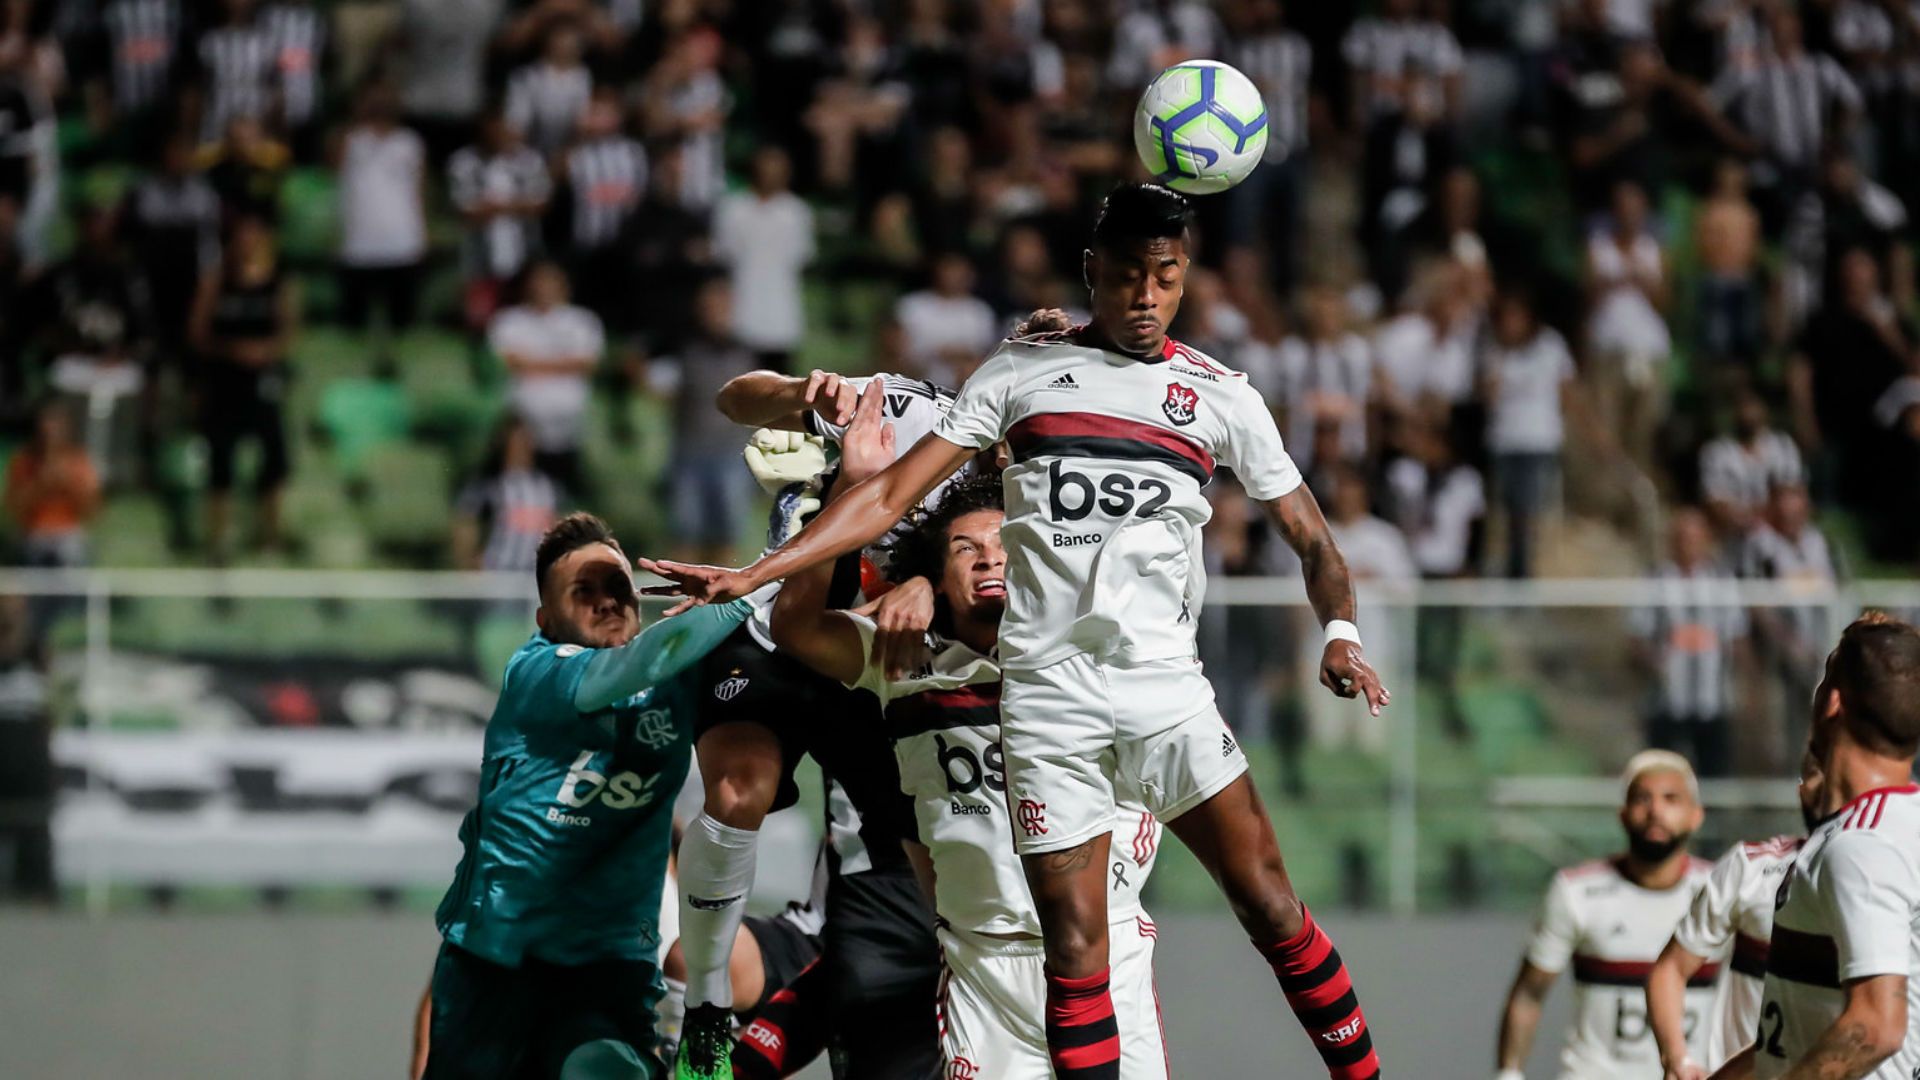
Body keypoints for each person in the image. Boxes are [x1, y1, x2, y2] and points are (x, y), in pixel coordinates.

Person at [645, 184, 1386, 1080]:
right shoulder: (1001, 382)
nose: (1144, 298)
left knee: (1269, 903)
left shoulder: (1219, 395)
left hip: (1162, 688)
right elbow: (880, 491)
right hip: (1040, 698)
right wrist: (755, 570)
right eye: (1124, 278)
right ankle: (714, 1010)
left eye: (1163, 277)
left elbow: (1313, 538)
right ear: (1089, 278)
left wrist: (1340, 630)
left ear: (1186, 277)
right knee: (1067, 943)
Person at [768, 389, 1169, 1079]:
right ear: (938, 572)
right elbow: (798, 628)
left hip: (1105, 954)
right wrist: (847, 487)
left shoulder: (1093, 644)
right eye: (965, 550)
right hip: (953, 953)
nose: (988, 558)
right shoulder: (902, 655)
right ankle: (700, 1058)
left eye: (1004, 545)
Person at [422, 513, 754, 1080]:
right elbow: (641, 662)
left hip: (610, 964)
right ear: (545, 619)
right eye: (585, 592)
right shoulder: (535, 671)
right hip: (500, 956)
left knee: (604, 1068)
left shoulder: (678, 677)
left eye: (618, 588)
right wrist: (757, 581)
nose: (607, 602)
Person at [1716, 613, 1920, 1080]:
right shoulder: (1882, 828)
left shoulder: (1863, 845)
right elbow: (1798, 1037)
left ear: (1831, 703)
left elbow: (1873, 1029)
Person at [1494, 751, 1716, 1080]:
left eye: (1671, 799)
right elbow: (1529, 992)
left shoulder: (1721, 892)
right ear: (1623, 815)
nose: (1656, 811)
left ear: (1696, 815)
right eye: (1643, 799)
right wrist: (1508, 1076)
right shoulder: (1577, 892)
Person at [1645, 752, 1824, 1079]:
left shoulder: (1902, 878)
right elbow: (1669, 968)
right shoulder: (1751, 868)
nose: (1821, 786)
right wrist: (1677, 1059)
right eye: (1812, 774)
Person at [189, 212, 295, 559]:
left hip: (262, 383)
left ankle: (270, 536)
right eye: (242, 236)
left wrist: (265, 351)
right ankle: (218, 540)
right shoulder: (215, 283)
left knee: (273, 458)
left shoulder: (278, 283)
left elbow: (288, 331)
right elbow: (197, 333)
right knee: (221, 461)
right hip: (223, 383)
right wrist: (231, 350)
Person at [1632, 508, 1750, 778]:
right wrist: (1653, 661)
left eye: (1695, 538)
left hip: (1713, 699)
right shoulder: (1655, 580)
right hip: (1667, 700)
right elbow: (1637, 635)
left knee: (1714, 777)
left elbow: (1737, 634)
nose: (1689, 545)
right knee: (1663, 776)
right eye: (1683, 538)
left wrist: (1743, 684)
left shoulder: (1721, 581)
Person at [488, 260, 602, 496]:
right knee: (517, 433)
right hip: (524, 412)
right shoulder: (508, 321)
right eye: (539, 281)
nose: (544, 287)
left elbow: (586, 364)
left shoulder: (583, 321)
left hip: (573, 414)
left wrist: (533, 364)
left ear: (564, 286)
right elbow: (510, 362)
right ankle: (516, 504)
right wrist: (563, 363)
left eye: (551, 281)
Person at [334, 82, 427, 341]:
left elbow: (418, 191)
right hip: (358, 245)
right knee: (353, 328)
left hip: (403, 242)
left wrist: (423, 234)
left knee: (403, 326)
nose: (380, 106)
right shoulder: (350, 140)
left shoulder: (410, 142)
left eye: (386, 100)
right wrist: (359, 117)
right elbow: (332, 165)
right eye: (374, 100)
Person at [712, 146, 813, 371]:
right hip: (741, 315)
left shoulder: (797, 212)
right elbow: (723, 256)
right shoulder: (733, 209)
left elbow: (801, 258)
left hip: (782, 315)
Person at [451, 416, 564, 574]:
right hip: (497, 575)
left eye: (526, 441)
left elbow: (560, 525)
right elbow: (466, 523)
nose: (521, 447)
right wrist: (468, 561)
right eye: (516, 441)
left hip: (535, 578)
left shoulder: (548, 486)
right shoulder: (488, 485)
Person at [4, 401, 101, 568]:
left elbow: (91, 511)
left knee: (73, 551)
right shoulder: (23, 462)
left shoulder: (79, 462)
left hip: (69, 536)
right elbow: (15, 510)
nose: (50, 431)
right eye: (46, 423)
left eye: (57, 424)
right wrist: (40, 484)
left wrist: (68, 483)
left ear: (67, 428)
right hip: (33, 537)